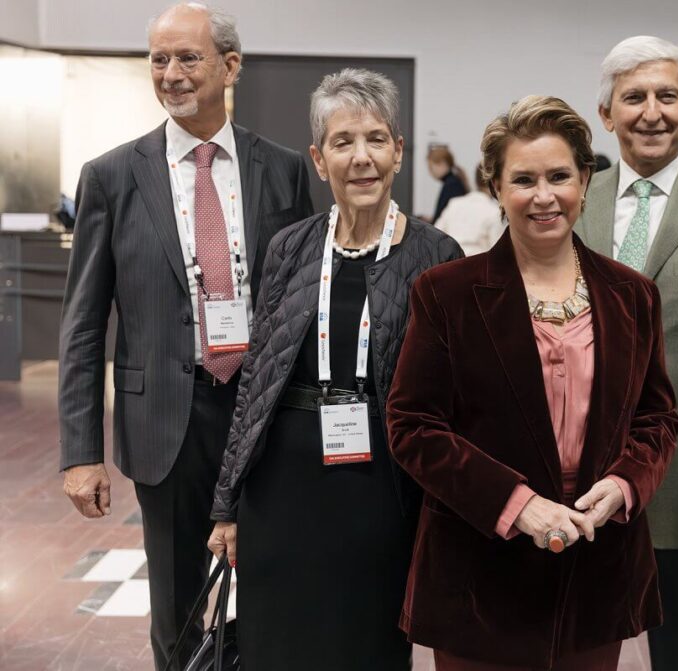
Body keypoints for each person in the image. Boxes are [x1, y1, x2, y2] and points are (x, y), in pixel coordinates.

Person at [57, 4, 312, 669]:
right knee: (176, 604)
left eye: (187, 58)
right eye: (158, 59)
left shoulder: (281, 171)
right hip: (166, 416)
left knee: (274, 584)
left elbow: (303, 305)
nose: (170, 74)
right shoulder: (111, 177)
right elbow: (83, 322)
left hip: (264, 412)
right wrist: (79, 451)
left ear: (230, 66)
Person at [387, 95, 678, 670]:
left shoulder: (632, 294)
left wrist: (624, 485)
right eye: (523, 179)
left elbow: (657, 417)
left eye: (558, 176)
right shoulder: (446, 292)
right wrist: (517, 504)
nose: (543, 196)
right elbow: (412, 426)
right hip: (481, 575)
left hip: (595, 569)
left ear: (585, 179)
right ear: (495, 186)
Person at [206, 68, 462, 670]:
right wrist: (227, 504)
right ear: (320, 161)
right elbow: (255, 385)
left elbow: (449, 402)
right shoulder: (289, 248)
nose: (362, 157)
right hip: (283, 489)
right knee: (276, 645)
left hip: (379, 490)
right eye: (343, 142)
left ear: (398, 151)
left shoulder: (436, 256)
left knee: (366, 644)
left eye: (376, 138)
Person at [575, 35, 678, 671]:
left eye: (668, 96)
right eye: (633, 97)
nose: (652, 112)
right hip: (576, 475)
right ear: (606, 115)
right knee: (577, 649)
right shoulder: (569, 200)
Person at [433, 164, 504, 255]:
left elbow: (436, 235)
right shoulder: (494, 212)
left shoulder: (454, 203)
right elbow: (498, 252)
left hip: (450, 262)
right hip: (478, 264)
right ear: (496, 183)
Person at [427, 144, 469, 221]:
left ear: (442, 164)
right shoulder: (454, 181)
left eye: (431, 167)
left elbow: (441, 215)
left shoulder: (451, 185)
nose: (430, 172)